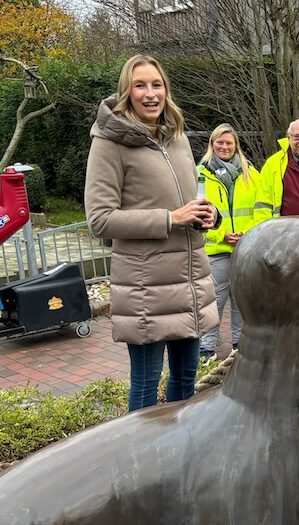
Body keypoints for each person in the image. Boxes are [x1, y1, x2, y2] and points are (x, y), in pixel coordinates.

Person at [85, 54, 218, 411]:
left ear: (166, 90)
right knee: (145, 390)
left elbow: (189, 201)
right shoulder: (109, 142)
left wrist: (208, 214)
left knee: (185, 384)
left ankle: (179, 459)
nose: (150, 93)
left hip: (188, 281)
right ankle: (143, 465)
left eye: (156, 85)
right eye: (140, 85)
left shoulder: (177, 138)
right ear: (126, 92)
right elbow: (99, 220)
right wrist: (170, 219)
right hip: (146, 287)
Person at [197, 123, 269, 362]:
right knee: (213, 301)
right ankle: (206, 349)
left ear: (236, 145)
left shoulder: (251, 173)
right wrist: (221, 234)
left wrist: (247, 234)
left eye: (229, 143)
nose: (225, 147)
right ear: (212, 144)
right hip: (216, 249)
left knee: (242, 301)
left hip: (245, 249)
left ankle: (240, 345)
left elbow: (262, 209)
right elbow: (197, 214)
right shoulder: (199, 174)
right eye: (220, 142)